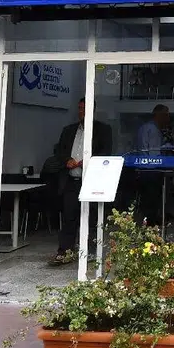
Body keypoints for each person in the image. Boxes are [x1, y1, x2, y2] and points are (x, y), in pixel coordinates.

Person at [50, 99, 112, 266]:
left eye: (84, 108)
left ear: (93, 110)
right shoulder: (69, 130)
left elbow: (106, 151)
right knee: (69, 217)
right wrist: (67, 160)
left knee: (91, 218)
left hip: (91, 181)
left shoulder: (103, 130)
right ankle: (65, 252)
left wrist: (90, 161)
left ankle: (91, 251)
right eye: (79, 108)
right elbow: (59, 151)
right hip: (71, 180)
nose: (81, 111)